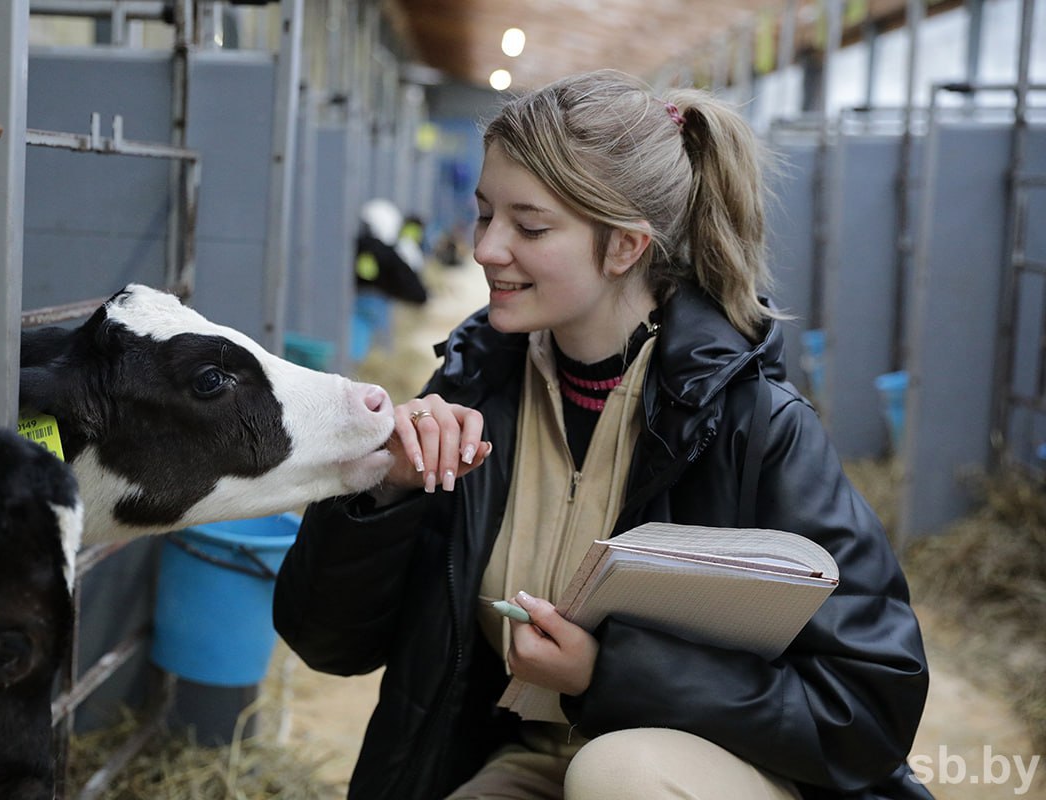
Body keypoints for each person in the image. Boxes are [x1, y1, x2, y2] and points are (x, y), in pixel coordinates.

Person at [274, 70, 932, 800]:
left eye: (529, 227)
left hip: (712, 771)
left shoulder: (755, 426)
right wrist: (381, 492)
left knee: (617, 774)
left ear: (624, 247)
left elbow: (874, 705)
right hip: (534, 758)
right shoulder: (472, 393)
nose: (487, 249)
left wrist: (605, 673)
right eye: (485, 213)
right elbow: (325, 643)